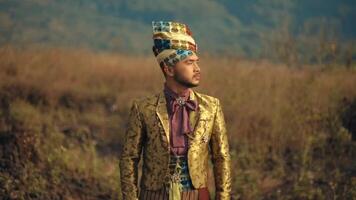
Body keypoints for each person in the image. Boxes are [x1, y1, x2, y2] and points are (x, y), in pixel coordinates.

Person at [120, 21, 232, 200]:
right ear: (169, 69)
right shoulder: (143, 108)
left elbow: (221, 157)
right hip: (154, 195)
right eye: (189, 63)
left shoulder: (211, 107)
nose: (197, 69)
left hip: (197, 195)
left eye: (196, 62)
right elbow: (129, 158)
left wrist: (223, 197)